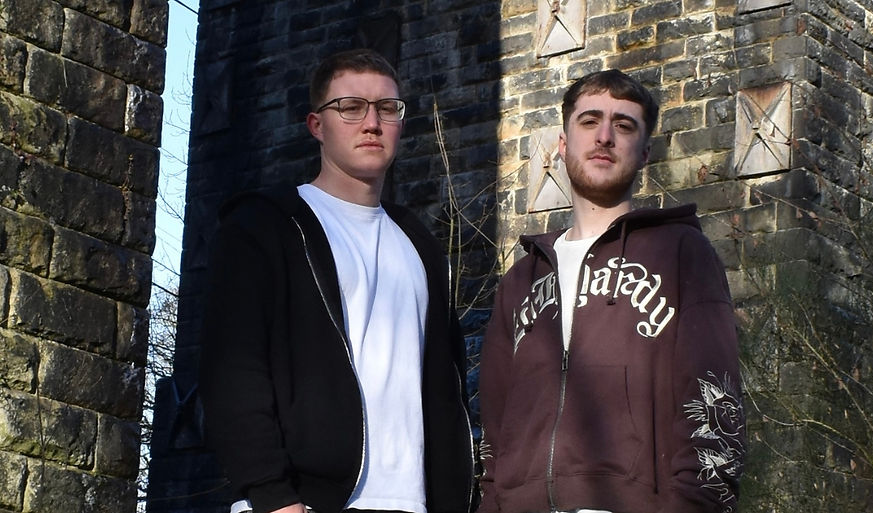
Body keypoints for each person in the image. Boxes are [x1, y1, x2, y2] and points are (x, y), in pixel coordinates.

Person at [199, 48, 475, 513]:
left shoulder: (422, 245)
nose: (372, 123)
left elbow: (448, 384)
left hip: (414, 503)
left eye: (387, 109)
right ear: (316, 125)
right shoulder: (266, 226)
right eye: (351, 107)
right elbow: (233, 371)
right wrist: (270, 494)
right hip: (302, 502)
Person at [477, 70, 745, 513]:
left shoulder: (681, 254)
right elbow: (493, 433)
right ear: (562, 145)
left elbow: (715, 407)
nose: (604, 136)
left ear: (644, 154)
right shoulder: (521, 281)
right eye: (589, 122)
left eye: (623, 125)